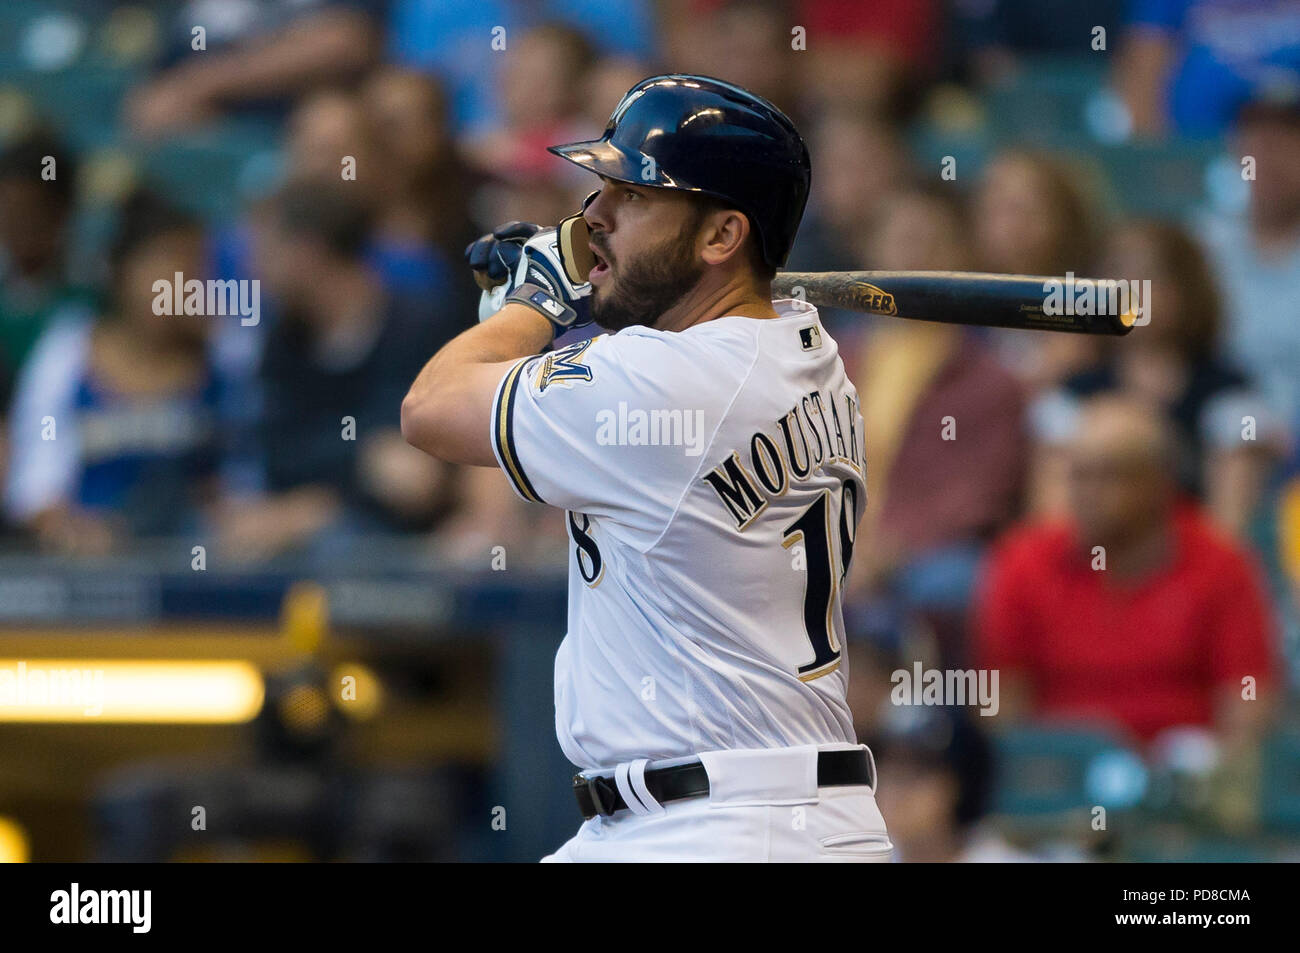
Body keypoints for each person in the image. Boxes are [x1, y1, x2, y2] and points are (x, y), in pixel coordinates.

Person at [402, 74, 891, 862]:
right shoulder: (807, 352)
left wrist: (539, 296)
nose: (591, 218)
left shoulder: (666, 383)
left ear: (722, 236)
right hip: (753, 816)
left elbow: (431, 407)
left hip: (718, 825)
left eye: (632, 195)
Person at [975, 396, 1279, 747]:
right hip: (1062, 775)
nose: (1087, 494)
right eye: (1079, 476)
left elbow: (1247, 701)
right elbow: (1001, 706)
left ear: (1159, 482)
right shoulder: (1022, 563)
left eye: (1109, 476)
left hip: (1184, 779)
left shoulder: (1221, 566)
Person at [4, 191, 220, 554]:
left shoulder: (224, 360)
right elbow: (34, 479)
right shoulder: (69, 351)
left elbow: (245, 477)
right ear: (123, 271)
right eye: (165, 264)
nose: (183, 282)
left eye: (195, 266)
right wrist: (59, 523)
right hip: (88, 565)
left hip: (197, 563)